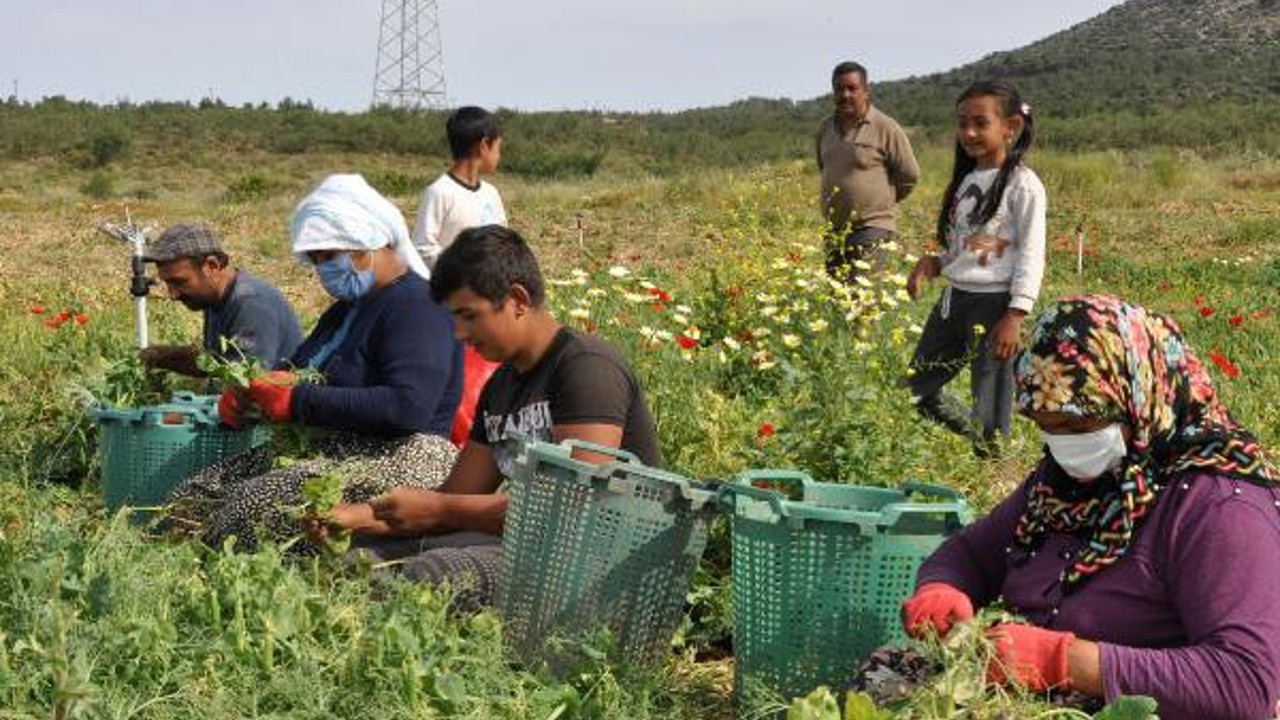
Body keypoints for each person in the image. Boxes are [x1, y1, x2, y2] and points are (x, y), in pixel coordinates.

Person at [901, 294, 1280, 720]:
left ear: (1138, 402)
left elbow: (1246, 683)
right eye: (1047, 428)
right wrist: (943, 587)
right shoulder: (1063, 484)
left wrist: (1066, 662)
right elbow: (972, 553)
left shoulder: (1219, 506)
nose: (1064, 446)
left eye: (1077, 425)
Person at [324, 224, 661, 609]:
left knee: (434, 574)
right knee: (360, 555)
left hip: (601, 563)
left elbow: (574, 506)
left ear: (517, 300)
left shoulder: (586, 368)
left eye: (469, 316)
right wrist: (359, 518)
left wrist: (438, 509)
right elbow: (457, 497)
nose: (459, 333)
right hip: (532, 544)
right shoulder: (501, 386)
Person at [166, 174, 464, 551]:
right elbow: (294, 373)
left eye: (330, 256)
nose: (323, 269)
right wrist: (251, 398)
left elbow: (408, 407)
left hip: (402, 457)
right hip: (336, 450)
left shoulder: (417, 307)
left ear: (368, 241)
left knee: (246, 505)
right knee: (191, 496)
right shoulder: (345, 311)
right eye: (317, 260)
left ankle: (246, 567)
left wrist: (298, 401)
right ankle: (195, 558)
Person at [905, 80, 1045, 455]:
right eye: (962, 123)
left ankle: (994, 460)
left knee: (991, 402)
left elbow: (1032, 253)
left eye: (980, 123)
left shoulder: (1023, 184)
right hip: (954, 300)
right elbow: (961, 247)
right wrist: (935, 263)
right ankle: (980, 437)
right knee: (916, 388)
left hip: (994, 305)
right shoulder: (967, 180)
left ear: (1011, 127)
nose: (968, 132)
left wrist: (1015, 315)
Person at [140, 222, 303, 376]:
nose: (173, 294)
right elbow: (216, 363)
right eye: (168, 283)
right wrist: (160, 356)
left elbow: (246, 382)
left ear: (212, 266)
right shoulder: (214, 298)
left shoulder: (252, 304)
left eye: (179, 282)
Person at [817, 61, 920, 283]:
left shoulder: (885, 126)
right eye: (839, 89)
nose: (845, 95)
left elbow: (909, 175)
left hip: (872, 228)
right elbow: (824, 168)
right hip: (835, 232)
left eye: (852, 88)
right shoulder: (825, 128)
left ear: (866, 91)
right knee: (835, 299)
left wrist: (881, 202)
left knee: (862, 296)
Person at [411, 106, 508, 272]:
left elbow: (503, 241)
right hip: (451, 286)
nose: (499, 156)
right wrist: (463, 266)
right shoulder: (439, 192)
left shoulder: (491, 194)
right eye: (498, 148)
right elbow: (422, 249)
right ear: (484, 145)